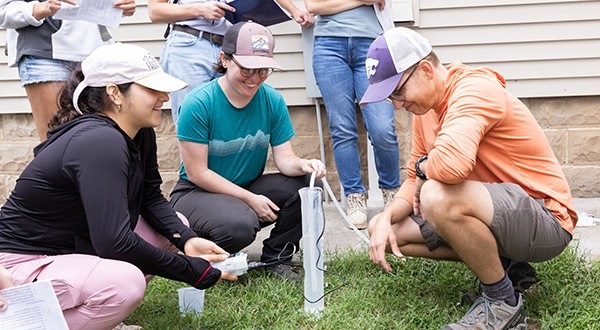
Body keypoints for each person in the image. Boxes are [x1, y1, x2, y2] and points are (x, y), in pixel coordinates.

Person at [0, 43, 237, 330]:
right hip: (20, 263)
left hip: (71, 246)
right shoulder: (100, 142)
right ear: (114, 93)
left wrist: (186, 239)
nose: (164, 96)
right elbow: (113, 241)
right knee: (125, 284)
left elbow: (150, 196)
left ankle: (99, 315)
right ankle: (21, 322)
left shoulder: (138, 132)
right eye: (152, 89)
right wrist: (193, 271)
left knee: (174, 227)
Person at [362, 27, 577, 329]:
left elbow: (451, 165)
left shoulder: (474, 89)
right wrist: (386, 216)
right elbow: (413, 178)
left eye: (398, 91)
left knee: (436, 196)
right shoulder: (424, 112)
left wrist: (425, 169)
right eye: (390, 97)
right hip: (499, 213)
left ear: (425, 69)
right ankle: (509, 269)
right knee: (384, 230)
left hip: (546, 218)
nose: (396, 104)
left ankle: (502, 302)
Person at [169, 21, 327, 282]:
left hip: (245, 187)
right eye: (247, 68)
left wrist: (305, 165)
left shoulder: (272, 100)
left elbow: (285, 160)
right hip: (195, 193)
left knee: (310, 185)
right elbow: (198, 174)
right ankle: (200, 251)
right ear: (224, 59)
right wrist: (251, 200)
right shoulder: (198, 103)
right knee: (239, 225)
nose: (254, 78)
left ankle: (277, 258)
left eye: (263, 70)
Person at [304, 0, 401, 229]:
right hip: (329, 48)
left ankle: (393, 195)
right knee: (342, 129)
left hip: (373, 44)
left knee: (382, 129)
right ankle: (354, 196)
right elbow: (314, 6)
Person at [147, 0, 314, 126]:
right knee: (193, 122)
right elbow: (155, 11)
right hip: (189, 46)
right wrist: (200, 9)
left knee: (229, 122)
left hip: (230, 48)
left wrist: (294, 11)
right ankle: (195, 173)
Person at [0, 0, 137, 141]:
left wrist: (119, 8)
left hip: (97, 56)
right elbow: (3, 10)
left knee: (104, 139)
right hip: (46, 54)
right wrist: (41, 8)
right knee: (58, 144)